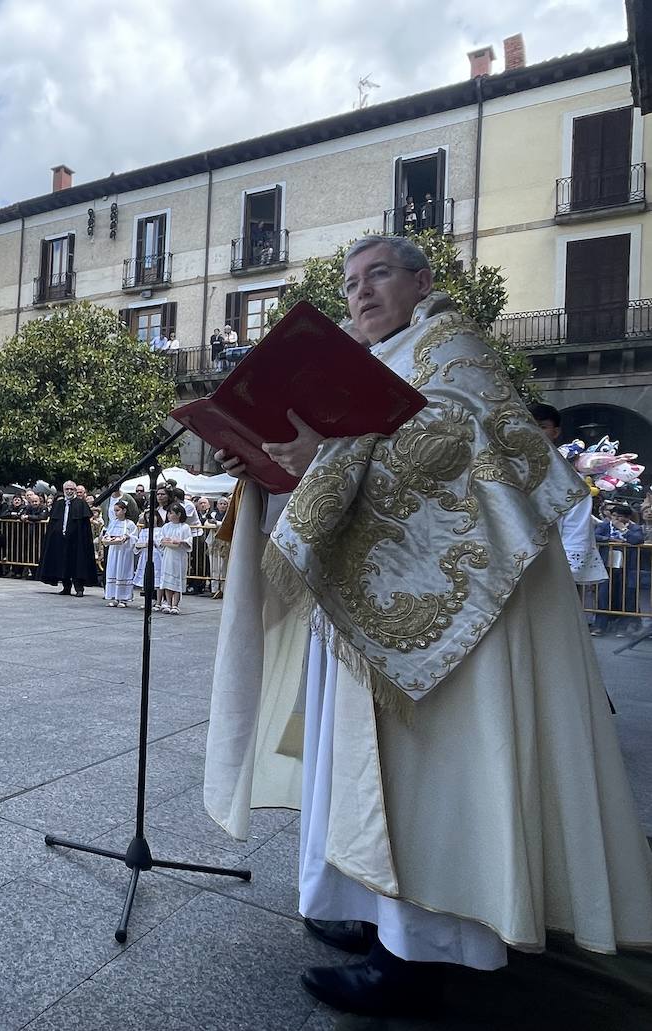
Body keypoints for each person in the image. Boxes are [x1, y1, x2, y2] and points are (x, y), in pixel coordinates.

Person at [204, 234, 652, 1018]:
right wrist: (275, 459)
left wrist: (324, 457)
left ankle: (417, 956)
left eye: (379, 275)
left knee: (430, 780)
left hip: (460, 631)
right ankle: (375, 913)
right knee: (368, 774)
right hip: (373, 602)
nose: (361, 294)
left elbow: (454, 451)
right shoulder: (374, 357)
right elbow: (347, 453)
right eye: (349, 284)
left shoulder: (453, 344)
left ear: (422, 280)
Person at [530, 403, 607, 590]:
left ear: (555, 432)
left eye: (541, 426)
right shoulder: (500, 473)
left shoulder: (571, 481)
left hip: (553, 574)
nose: (532, 431)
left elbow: (576, 532)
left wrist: (565, 576)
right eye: (527, 424)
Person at [36, 481, 100, 597]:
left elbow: (85, 526)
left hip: (77, 540)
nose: (69, 491)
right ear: (64, 490)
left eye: (72, 489)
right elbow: (53, 523)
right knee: (62, 562)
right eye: (67, 489)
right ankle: (66, 586)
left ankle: (79, 588)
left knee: (77, 563)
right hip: (61, 539)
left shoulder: (81, 504)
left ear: (75, 490)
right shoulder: (59, 504)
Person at [592, 503, 644, 637]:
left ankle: (624, 626)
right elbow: (594, 536)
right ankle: (600, 626)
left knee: (625, 594)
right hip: (607, 564)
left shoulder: (635, 528)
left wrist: (623, 530)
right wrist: (609, 539)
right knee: (603, 594)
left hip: (627, 566)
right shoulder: (604, 525)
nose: (615, 519)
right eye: (614, 515)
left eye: (620, 517)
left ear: (627, 518)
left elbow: (637, 540)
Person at [155, 503, 192, 613]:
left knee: (177, 579)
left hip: (179, 556)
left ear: (179, 514)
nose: (169, 516)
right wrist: (164, 540)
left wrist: (181, 541)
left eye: (171, 513)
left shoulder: (185, 527)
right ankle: (168, 603)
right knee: (167, 580)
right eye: (169, 513)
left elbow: (189, 541)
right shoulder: (166, 526)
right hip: (168, 555)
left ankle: (175, 604)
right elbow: (159, 539)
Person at [102, 501, 137, 607]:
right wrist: (107, 538)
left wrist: (127, 537)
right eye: (115, 511)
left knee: (123, 572)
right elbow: (108, 534)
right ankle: (115, 597)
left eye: (118, 510)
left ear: (124, 510)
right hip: (114, 551)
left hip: (124, 552)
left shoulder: (130, 524)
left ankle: (124, 598)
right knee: (113, 571)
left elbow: (135, 537)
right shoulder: (113, 523)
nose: (116, 513)